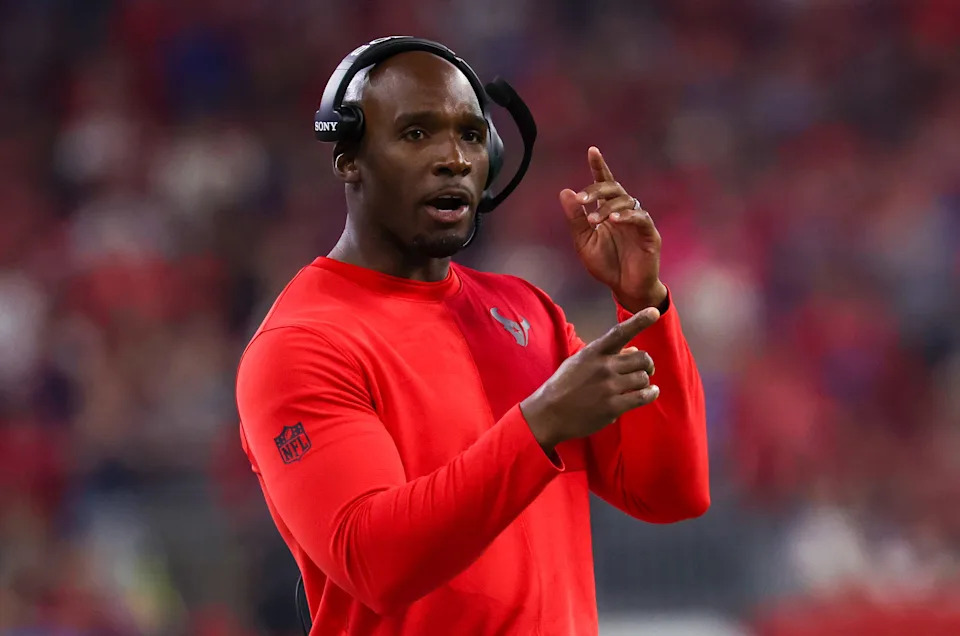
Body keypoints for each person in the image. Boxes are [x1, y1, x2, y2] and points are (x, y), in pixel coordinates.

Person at [235, 39, 710, 635]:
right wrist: (538, 425)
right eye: (416, 134)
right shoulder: (302, 343)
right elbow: (374, 561)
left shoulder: (527, 311)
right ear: (348, 158)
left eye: (468, 134)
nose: (453, 158)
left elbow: (670, 494)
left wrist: (643, 303)